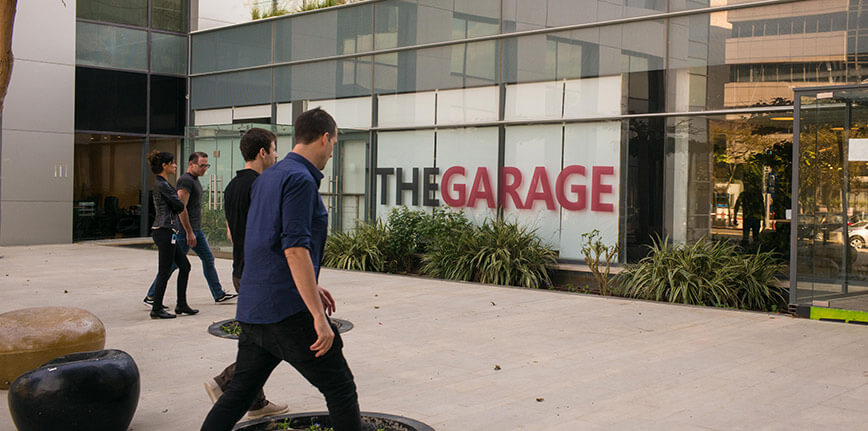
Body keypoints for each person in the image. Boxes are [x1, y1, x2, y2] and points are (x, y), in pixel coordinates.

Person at [201, 108, 361, 431]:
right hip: (287, 311)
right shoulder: (300, 180)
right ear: (325, 138)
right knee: (340, 388)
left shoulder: (268, 177)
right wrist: (318, 316)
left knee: (238, 394)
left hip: (254, 308)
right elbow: (294, 249)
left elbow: (265, 243)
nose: (332, 152)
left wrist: (311, 285)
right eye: (333, 143)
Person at [203, 127, 288, 420]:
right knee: (277, 337)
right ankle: (225, 382)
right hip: (259, 273)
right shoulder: (261, 186)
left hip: (240, 269)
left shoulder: (232, 187)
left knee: (258, 337)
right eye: (274, 150)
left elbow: (231, 232)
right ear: (262, 152)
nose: (276, 156)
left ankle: (256, 403)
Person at [144, 152, 238, 305]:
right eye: (201, 165)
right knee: (173, 264)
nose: (204, 168)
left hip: (195, 230)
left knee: (208, 258)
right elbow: (181, 208)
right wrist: (188, 231)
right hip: (185, 230)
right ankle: (151, 296)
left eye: (206, 165)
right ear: (191, 164)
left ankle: (218, 294)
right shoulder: (185, 181)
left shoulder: (194, 180)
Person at [145, 150, 196, 319]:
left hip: (167, 230)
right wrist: (178, 205)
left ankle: (181, 304)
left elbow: (177, 205)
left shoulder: (163, 184)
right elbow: (179, 205)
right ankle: (156, 308)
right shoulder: (163, 185)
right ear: (164, 165)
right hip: (165, 231)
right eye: (172, 163)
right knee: (164, 270)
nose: (175, 165)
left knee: (185, 266)